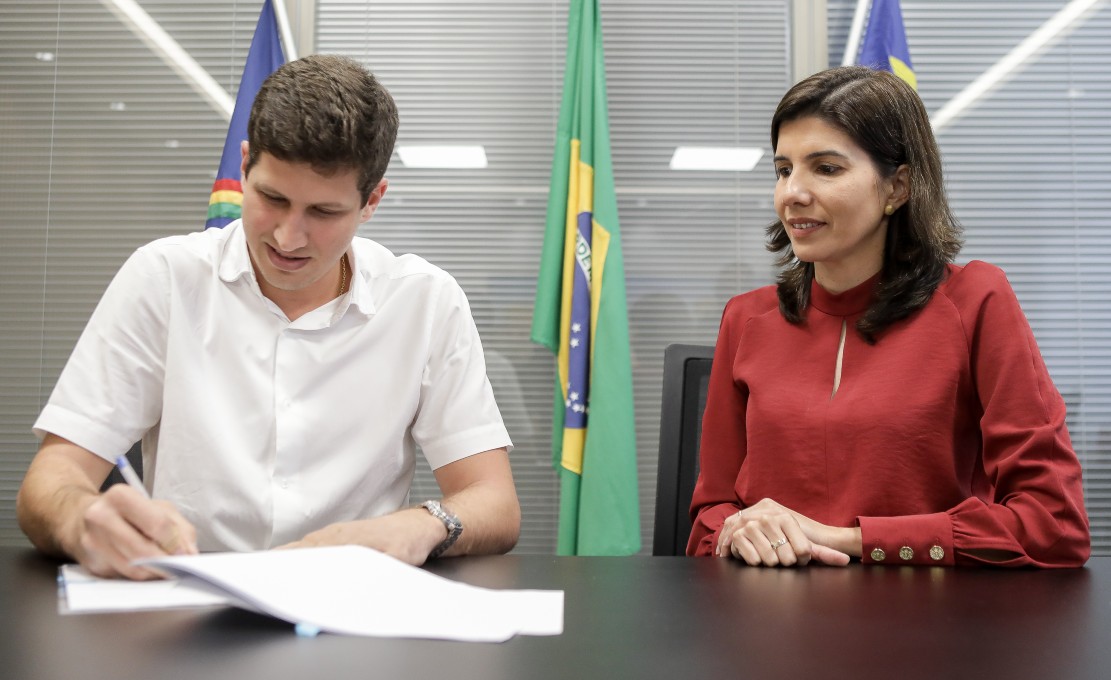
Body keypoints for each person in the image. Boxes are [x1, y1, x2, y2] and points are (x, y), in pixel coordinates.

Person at [17, 54, 520, 579]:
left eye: (323, 213)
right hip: (185, 609)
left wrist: (418, 526)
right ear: (244, 165)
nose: (287, 237)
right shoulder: (164, 277)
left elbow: (495, 503)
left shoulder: (424, 300)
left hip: (355, 613)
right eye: (271, 198)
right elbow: (51, 480)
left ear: (372, 201)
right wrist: (82, 519)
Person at [687, 66, 1089, 568]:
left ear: (897, 187)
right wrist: (737, 528)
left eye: (826, 168)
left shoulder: (976, 301)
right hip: (770, 624)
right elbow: (709, 517)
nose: (793, 192)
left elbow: (1053, 525)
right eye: (784, 169)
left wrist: (847, 539)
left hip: (927, 625)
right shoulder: (746, 319)